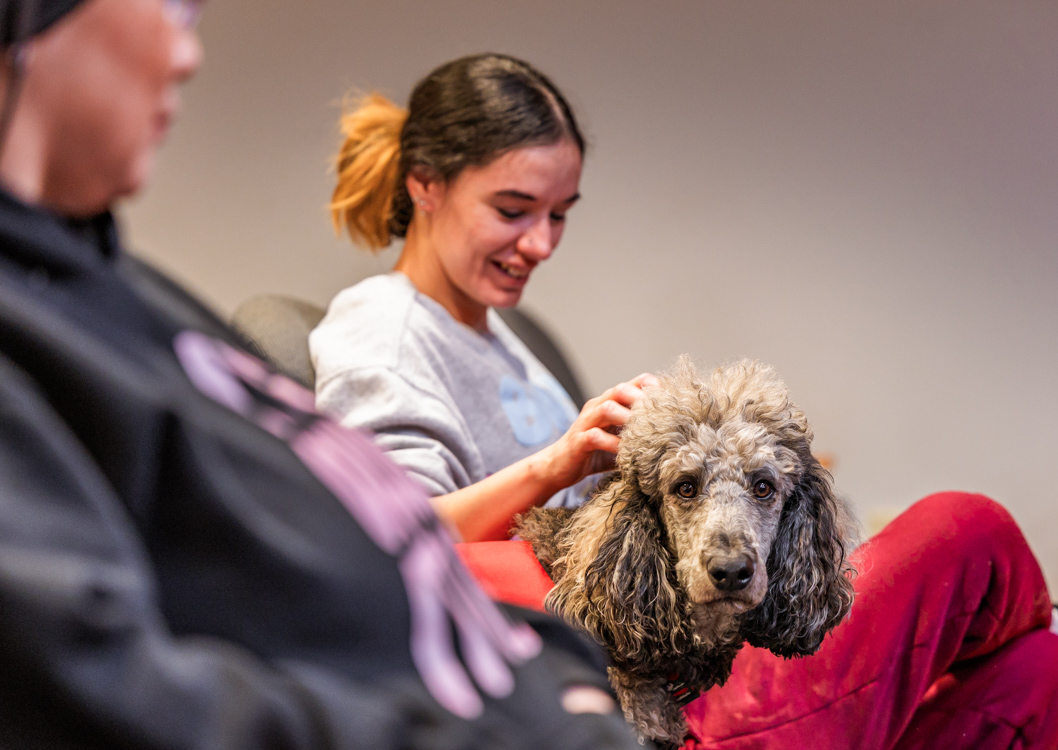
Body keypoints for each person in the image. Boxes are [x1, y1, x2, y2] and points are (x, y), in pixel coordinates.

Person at [310, 53, 1058, 749]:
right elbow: (388, 538)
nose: (540, 242)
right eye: (513, 208)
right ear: (425, 183)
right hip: (645, 697)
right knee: (968, 529)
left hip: (688, 641)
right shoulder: (383, 330)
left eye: (561, 213)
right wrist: (555, 463)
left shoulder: (501, 339)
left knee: (1039, 681)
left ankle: (1055, 639)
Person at [0, 2, 640, 748]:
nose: (188, 53)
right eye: (172, 6)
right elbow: (107, 690)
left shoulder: (119, 289)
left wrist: (563, 672)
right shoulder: (40, 335)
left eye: (559, 215)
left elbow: (387, 557)